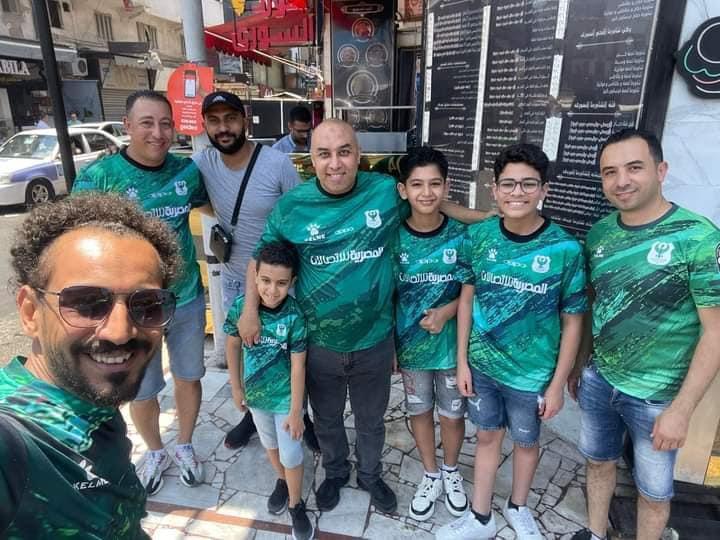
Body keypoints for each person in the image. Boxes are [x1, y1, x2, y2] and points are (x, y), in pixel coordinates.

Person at [239, 119, 494, 514]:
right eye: (324, 154)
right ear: (311, 159)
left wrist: (491, 219)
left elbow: (433, 203)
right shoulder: (292, 207)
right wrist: (250, 310)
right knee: (326, 419)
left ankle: (371, 475)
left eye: (344, 152)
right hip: (319, 341)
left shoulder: (384, 192)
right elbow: (259, 258)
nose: (335, 163)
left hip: (375, 340)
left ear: (358, 155)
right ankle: (336, 472)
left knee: (371, 419)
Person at [568, 129, 720, 540]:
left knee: (653, 492)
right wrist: (581, 365)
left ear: (661, 170)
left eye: (634, 168)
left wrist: (682, 410)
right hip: (601, 380)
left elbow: (715, 332)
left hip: (658, 397)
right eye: (610, 172)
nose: (622, 181)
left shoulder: (699, 238)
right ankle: (595, 532)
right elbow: (595, 303)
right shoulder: (600, 234)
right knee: (597, 462)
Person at [0, 193, 180, 538]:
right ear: (30, 312)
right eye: (86, 303)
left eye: (146, 304)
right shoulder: (11, 439)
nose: (120, 332)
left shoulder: (90, 398)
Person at [437, 143, 587, 539]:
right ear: (495, 189)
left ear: (544, 190)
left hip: (532, 375)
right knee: (486, 436)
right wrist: (463, 362)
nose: (517, 193)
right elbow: (466, 299)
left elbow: (573, 321)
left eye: (528, 184)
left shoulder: (565, 249)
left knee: (526, 443)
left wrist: (557, 385)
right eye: (508, 184)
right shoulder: (479, 237)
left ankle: (518, 507)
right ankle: (480, 517)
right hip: (483, 367)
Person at [73, 89, 209, 495]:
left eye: (166, 124)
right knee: (141, 387)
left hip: (184, 298)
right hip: (131, 309)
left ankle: (184, 444)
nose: (158, 133)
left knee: (189, 376)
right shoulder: (99, 178)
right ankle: (155, 450)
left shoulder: (187, 172)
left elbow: (210, 206)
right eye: (147, 123)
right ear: (127, 126)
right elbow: (76, 240)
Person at [192, 91, 319, 453]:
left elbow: (299, 217)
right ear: (205, 126)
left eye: (230, 118)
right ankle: (253, 414)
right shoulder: (202, 164)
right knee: (252, 355)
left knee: (292, 355)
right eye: (214, 121)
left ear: (245, 119)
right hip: (235, 278)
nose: (223, 128)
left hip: (280, 284)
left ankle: (301, 414)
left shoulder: (277, 164)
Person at [392, 147, 472, 521]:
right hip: (411, 349)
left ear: (446, 186)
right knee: (419, 411)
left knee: (452, 415)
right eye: (417, 184)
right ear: (403, 190)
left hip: (452, 349)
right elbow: (387, 294)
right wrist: (391, 345)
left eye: (434, 184)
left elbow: (475, 289)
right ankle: (431, 473)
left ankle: (451, 470)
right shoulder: (394, 238)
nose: (426, 193)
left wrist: (446, 311)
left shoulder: (462, 236)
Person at [224, 242, 313, 540]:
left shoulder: (295, 316)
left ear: (292, 282)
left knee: (292, 453)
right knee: (270, 445)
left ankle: (296, 504)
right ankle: (282, 481)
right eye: (265, 281)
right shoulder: (242, 308)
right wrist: (236, 387)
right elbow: (232, 345)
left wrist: (296, 412)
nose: (272, 291)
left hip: (286, 400)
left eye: (281, 283)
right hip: (257, 399)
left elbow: (299, 367)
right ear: (255, 277)